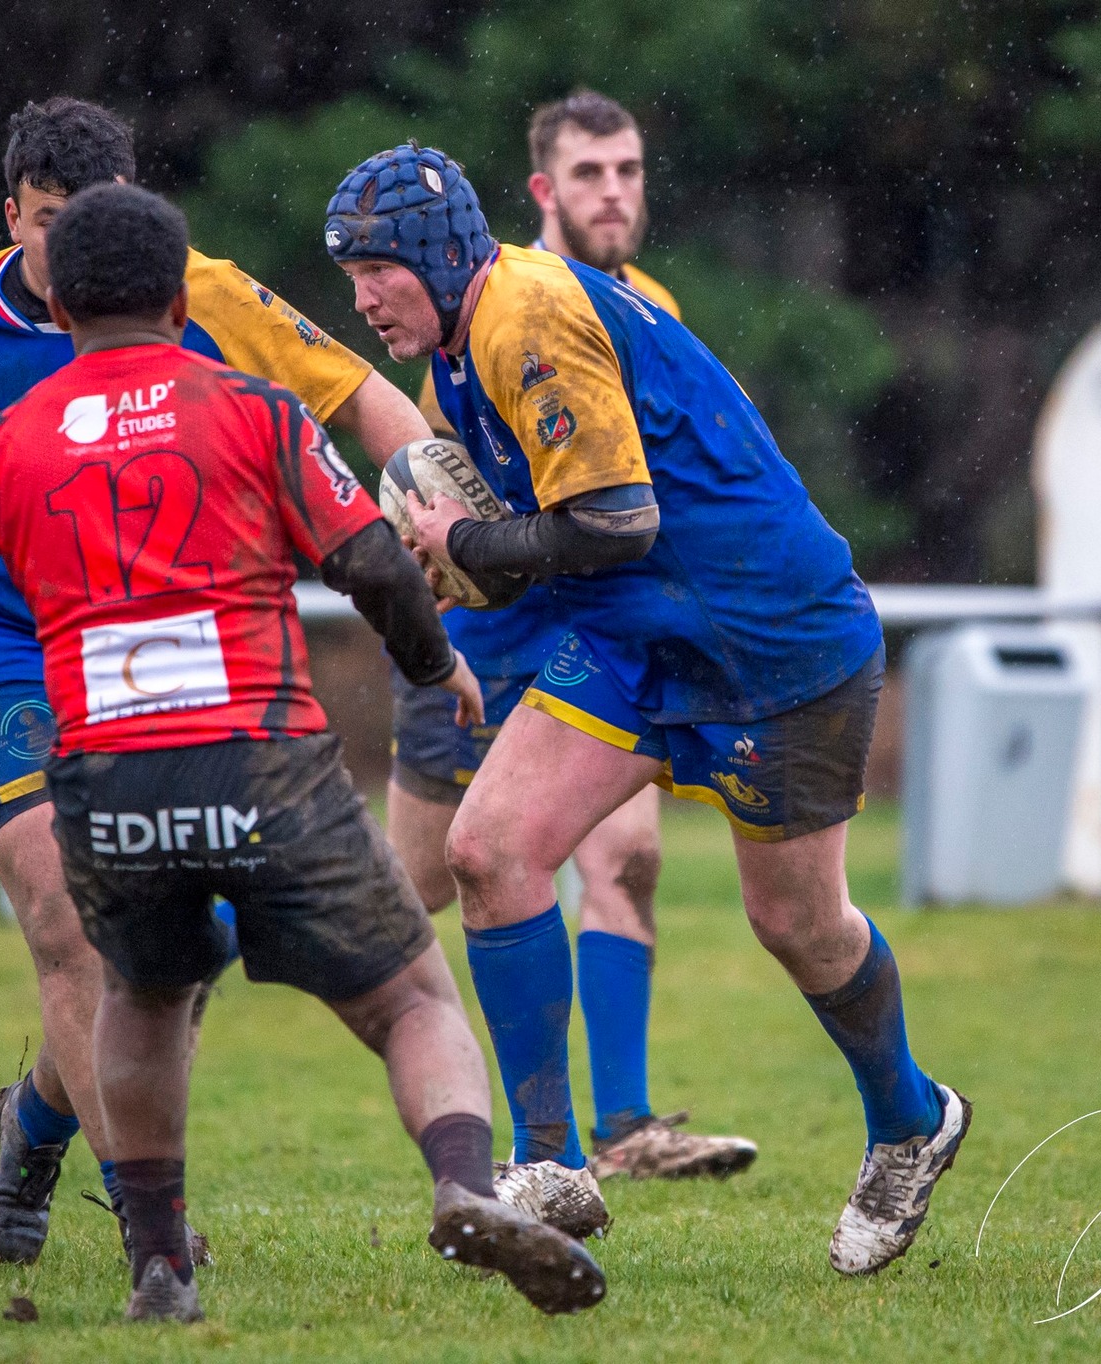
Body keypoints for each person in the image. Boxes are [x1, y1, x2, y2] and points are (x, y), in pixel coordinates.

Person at [0, 184, 605, 1323]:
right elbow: (375, 567)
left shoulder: (4, 444)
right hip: (265, 766)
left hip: (106, 780)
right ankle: (458, 1181)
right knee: (408, 1000)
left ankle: (158, 1264)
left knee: (140, 996)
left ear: (64, 293)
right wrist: (440, 666)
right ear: (174, 291)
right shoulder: (253, 412)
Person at [326, 146, 969, 1275]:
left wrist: (464, 546)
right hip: (636, 636)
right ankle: (553, 1166)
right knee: (487, 847)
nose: (363, 296)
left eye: (375, 268)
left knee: (797, 924)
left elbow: (615, 518)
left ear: (432, 253)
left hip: (773, 636)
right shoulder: (465, 348)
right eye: (349, 275)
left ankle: (910, 1119)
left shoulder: (522, 314)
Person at [0, 97, 432, 1264]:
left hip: (163, 658)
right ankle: (160, 1233)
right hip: (6, 651)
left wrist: (442, 502)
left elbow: (360, 396)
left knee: (165, 956)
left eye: (83, 221)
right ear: (11, 216)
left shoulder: (196, 293)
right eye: (43, 223)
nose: (61, 253)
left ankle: (37, 1119)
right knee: (70, 925)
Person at [390, 90, 755, 1183]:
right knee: (395, 901)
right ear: (543, 190)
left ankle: (622, 1127)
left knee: (628, 855)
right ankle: (163, 976)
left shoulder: (652, 303)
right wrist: (441, 612)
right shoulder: (482, 312)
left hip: (594, 628)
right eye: (589, 173)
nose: (614, 191)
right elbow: (427, 486)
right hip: (487, 633)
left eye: (629, 170)